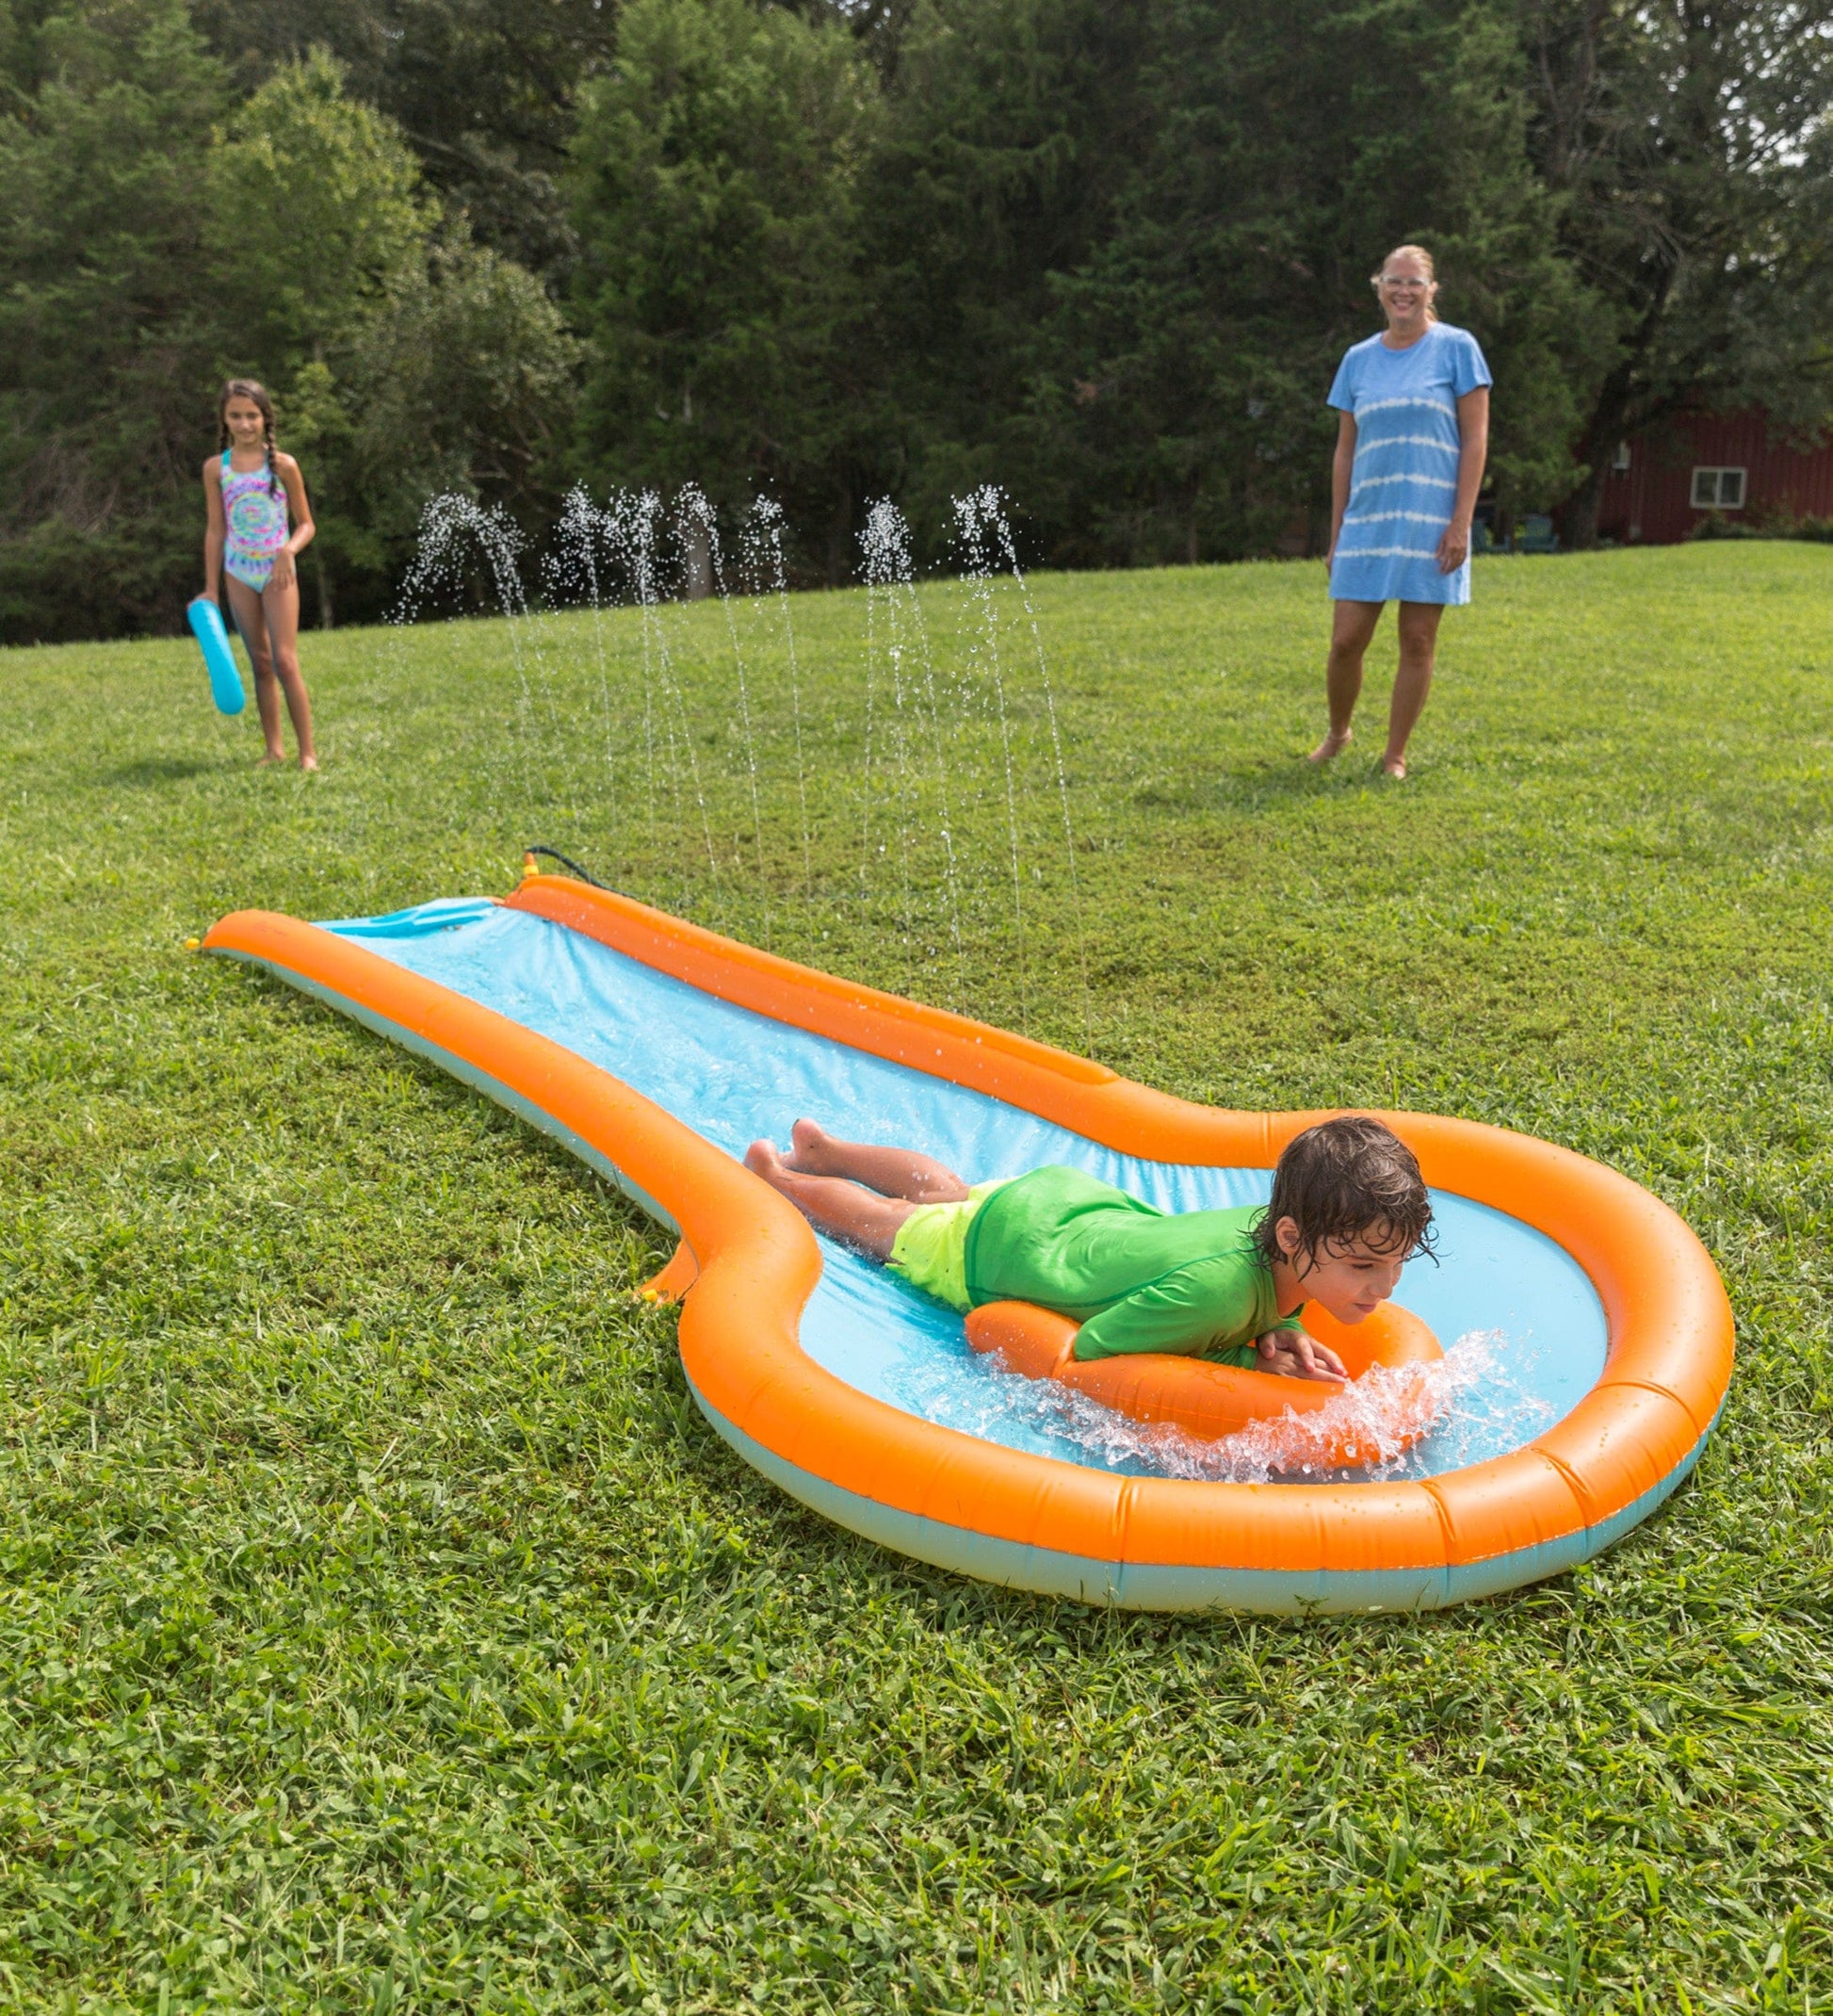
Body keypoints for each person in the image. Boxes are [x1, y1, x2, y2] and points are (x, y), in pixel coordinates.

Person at [744, 1113, 1434, 1383]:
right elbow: (1101, 1346)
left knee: (947, 1192)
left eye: (1397, 1261)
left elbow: (1258, 1296)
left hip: (1065, 1204)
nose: (1386, 1284)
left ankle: (827, 1148)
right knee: (887, 1224)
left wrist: (1280, 1327)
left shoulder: (1273, 1230)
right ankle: (783, 1176)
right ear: (1293, 1237)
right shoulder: (1217, 1294)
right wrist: (1243, 1354)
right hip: (1010, 1250)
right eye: (1365, 1265)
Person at [1308, 245, 1490, 781]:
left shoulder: (1458, 349)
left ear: (1431, 290)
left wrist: (1461, 522)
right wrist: (1337, 531)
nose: (1403, 291)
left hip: (1430, 520)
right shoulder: (1357, 359)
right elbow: (1345, 450)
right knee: (1346, 642)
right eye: (1394, 281)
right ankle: (1339, 732)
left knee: (1417, 640)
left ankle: (1394, 755)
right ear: (1379, 288)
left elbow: (1476, 438)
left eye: (1414, 282)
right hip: (1368, 520)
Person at [202, 379, 319, 771]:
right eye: (235, 416)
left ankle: (308, 753)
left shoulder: (283, 465)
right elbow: (216, 530)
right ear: (224, 419)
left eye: (251, 415)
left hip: (277, 572)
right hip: (238, 572)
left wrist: (288, 550)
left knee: (285, 661)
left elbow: (306, 524)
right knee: (261, 662)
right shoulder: (216, 469)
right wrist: (210, 589)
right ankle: (274, 749)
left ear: (264, 418)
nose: (244, 423)